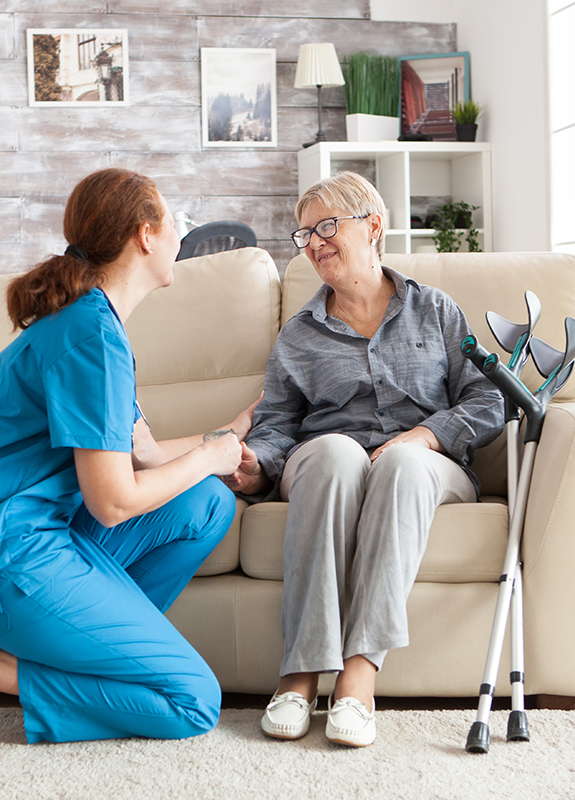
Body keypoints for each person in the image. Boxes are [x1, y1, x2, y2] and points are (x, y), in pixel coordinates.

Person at [225, 171, 505, 748]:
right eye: (305, 235)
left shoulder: (435, 311)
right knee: (333, 452)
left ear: (373, 226)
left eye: (328, 226)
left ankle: (358, 679)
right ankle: (299, 675)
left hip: (426, 464)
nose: (316, 243)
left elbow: (487, 398)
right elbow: (277, 427)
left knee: (399, 465)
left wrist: (425, 437)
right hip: (327, 460)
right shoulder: (298, 335)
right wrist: (259, 465)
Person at [0, 168, 259, 744]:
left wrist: (229, 434)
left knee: (208, 504)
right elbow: (114, 501)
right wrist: (211, 456)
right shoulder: (90, 336)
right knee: (193, 702)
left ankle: (99, 644)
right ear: (146, 235)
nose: (179, 238)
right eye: (175, 224)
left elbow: (140, 454)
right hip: (16, 552)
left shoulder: (93, 323)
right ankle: (17, 672)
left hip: (45, 534)